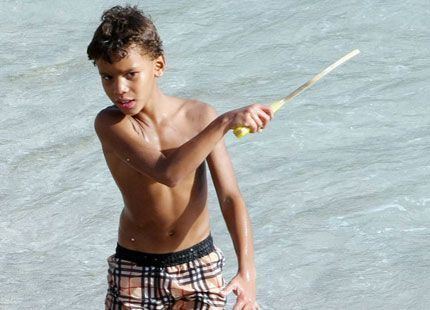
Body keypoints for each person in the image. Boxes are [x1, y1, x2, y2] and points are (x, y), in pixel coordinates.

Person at [87, 5, 273, 309]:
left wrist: (247, 272)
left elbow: (230, 198)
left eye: (130, 74)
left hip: (199, 262)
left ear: (158, 65)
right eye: (107, 77)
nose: (119, 89)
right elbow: (168, 173)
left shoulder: (199, 116)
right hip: (136, 268)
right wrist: (225, 123)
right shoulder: (111, 124)